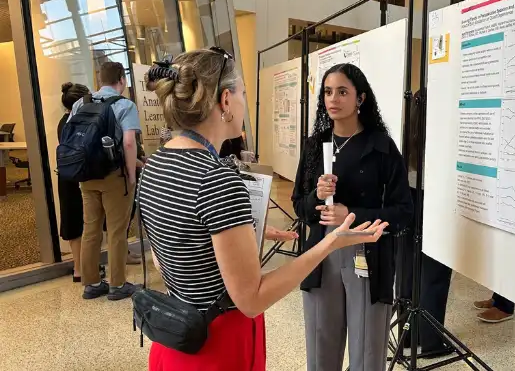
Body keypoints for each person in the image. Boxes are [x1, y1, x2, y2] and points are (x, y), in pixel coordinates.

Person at [139, 48, 388, 370]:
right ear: (226, 101)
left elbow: (168, 256)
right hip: (218, 344)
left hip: (174, 335)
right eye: (241, 93)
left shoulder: (155, 165)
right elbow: (252, 299)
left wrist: (240, 235)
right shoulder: (216, 178)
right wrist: (331, 242)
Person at [293, 63, 414, 371]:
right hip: (321, 257)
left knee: (367, 353)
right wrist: (316, 197)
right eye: (328, 92)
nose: (333, 99)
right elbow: (300, 207)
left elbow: (402, 213)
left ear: (360, 98)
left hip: (366, 257)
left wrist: (353, 214)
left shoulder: (382, 148)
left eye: (343, 92)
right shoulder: (313, 148)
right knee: (321, 349)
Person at [72, 62, 141, 300]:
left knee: (90, 228)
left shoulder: (81, 103)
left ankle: (91, 283)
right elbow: (129, 142)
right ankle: (118, 284)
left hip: (86, 175)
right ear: (121, 79)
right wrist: (131, 174)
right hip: (114, 175)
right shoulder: (125, 105)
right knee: (116, 230)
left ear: (100, 79)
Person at [397, 88, 454, 358]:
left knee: (408, 267)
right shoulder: (441, 127)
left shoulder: (410, 123)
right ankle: (430, 342)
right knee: (435, 271)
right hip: (433, 198)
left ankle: (407, 337)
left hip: (409, 197)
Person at [57, 82, 105, 282]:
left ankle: (78, 268)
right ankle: (88, 267)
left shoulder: (63, 121)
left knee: (72, 222)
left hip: (65, 174)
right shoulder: (84, 120)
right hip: (83, 175)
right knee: (88, 223)